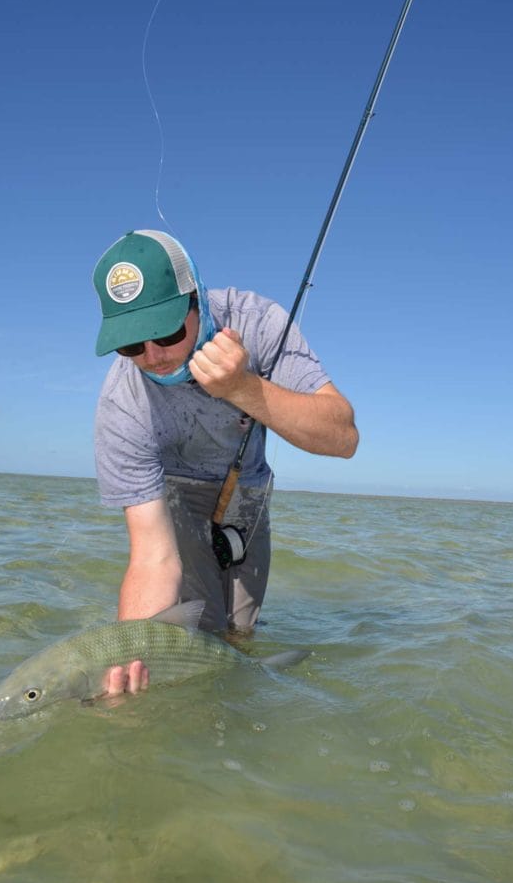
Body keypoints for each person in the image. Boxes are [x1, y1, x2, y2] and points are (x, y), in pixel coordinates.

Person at [92, 229, 358, 693]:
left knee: (242, 630)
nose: (153, 357)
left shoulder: (260, 322)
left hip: (248, 489)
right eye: (131, 344)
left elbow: (343, 438)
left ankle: (239, 720)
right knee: (204, 628)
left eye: (167, 332)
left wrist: (243, 388)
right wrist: (129, 656)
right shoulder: (121, 404)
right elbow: (152, 556)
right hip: (174, 490)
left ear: (196, 297)